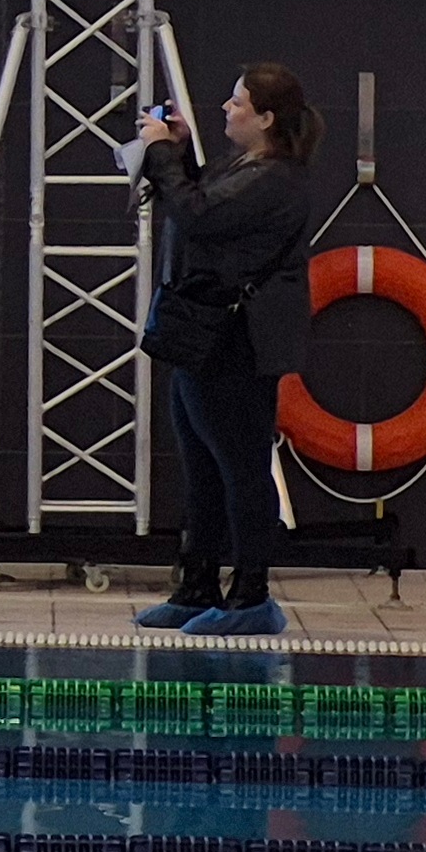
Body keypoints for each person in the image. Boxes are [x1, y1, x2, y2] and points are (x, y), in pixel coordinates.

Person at [133, 62, 321, 638]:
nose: (225, 108)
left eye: (237, 103)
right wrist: (179, 153)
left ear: (265, 119)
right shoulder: (242, 167)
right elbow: (203, 205)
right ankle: (197, 585)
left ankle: (250, 595)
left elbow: (199, 216)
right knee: (200, 467)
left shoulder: (275, 180)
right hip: (202, 336)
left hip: (236, 343)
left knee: (240, 467)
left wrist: (160, 154)